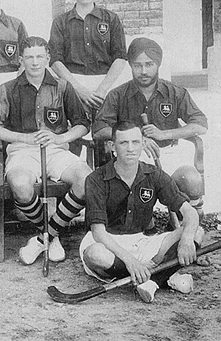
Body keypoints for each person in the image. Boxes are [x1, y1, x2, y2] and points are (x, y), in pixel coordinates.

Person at [0, 36, 92, 264]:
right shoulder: (8, 89)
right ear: (21, 59)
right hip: (22, 150)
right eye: (29, 57)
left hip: (56, 149)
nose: (35, 62)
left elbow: (83, 124)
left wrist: (60, 136)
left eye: (40, 57)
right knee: (20, 185)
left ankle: (43, 237)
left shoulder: (63, 86)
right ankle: (50, 235)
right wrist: (24, 137)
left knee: (86, 180)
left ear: (48, 58)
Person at [80, 121, 204, 303]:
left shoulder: (153, 174)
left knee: (197, 232)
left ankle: (151, 282)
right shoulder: (96, 179)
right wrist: (131, 261)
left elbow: (190, 213)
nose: (130, 148)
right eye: (123, 143)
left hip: (141, 242)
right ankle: (163, 276)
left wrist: (186, 239)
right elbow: (98, 232)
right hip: (108, 243)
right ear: (112, 147)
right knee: (95, 255)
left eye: (135, 142)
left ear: (142, 144)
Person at [93, 37, 208, 226]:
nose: (144, 71)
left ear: (158, 64)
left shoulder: (175, 92)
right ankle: (147, 225)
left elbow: (200, 124)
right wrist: (137, 137)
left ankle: (186, 226)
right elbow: (98, 130)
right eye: (137, 65)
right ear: (130, 65)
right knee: (140, 198)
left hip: (168, 152)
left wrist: (165, 134)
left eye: (149, 64)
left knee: (192, 180)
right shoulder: (117, 95)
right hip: (134, 158)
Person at [48, 0, 127, 113]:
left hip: (105, 83)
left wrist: (102, 90)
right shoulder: (61, 22)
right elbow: (54, 60)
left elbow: (120, 57)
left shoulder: (111, 19)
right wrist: (78, 90)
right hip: (73, 84)